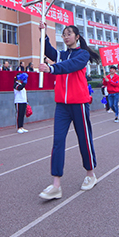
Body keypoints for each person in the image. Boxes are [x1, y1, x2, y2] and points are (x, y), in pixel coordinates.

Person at [37, 21, 100, 200]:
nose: (66, 37)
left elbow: (69, 66)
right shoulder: (62, 54)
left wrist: (51, 68)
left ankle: (90, 174)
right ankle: (56, 184)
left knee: (84, 139)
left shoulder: (82, 55)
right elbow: (48, 51)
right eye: (64, 34)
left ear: (77, 37)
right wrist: (44, 34)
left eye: (69, 34)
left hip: (79, 103)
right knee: (57, 141)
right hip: (62, 106)